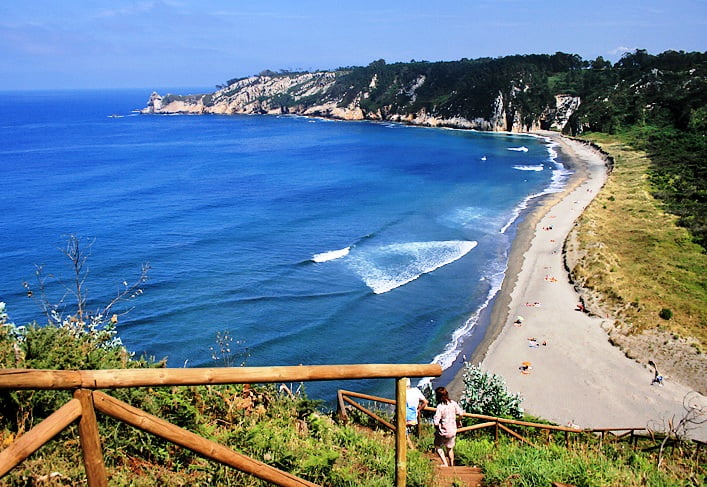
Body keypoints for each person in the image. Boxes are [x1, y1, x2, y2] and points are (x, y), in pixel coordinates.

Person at [433, 386, 463, 467]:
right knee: (450, 448)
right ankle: (452, 465)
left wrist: (437, 427)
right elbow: (461, 413)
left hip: (443, 431)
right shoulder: (453, 403)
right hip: (453, 430)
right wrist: (458, 421)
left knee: (437, 445)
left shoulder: (440, 407)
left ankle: (445, 463)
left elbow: (436, 421)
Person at [405, 379, 428, 448]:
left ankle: (412, 449)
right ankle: (411, 448)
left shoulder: (403, 392)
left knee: (401, 430)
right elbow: (425, 402)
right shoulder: (416, 390)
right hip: (414, 415)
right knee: (405, 433)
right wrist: (418, 410)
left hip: (407, 416)